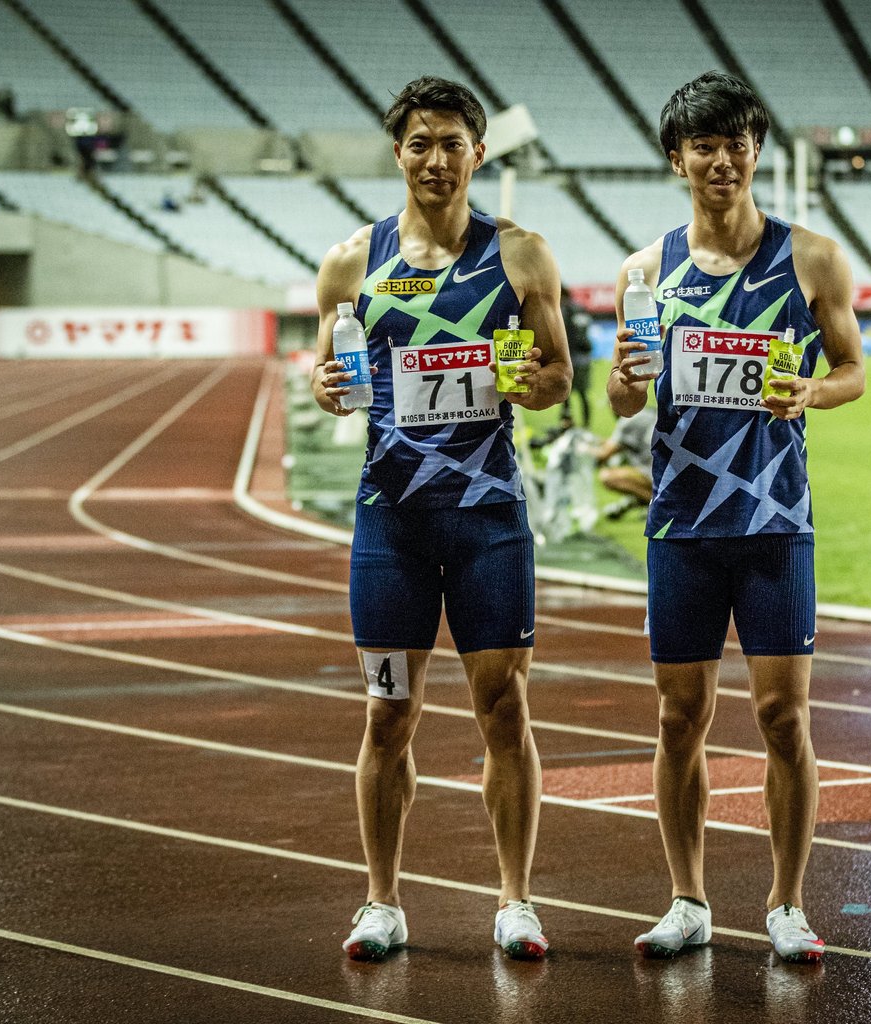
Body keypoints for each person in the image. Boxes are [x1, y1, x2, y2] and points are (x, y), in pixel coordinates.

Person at [311, 76, 571, 962]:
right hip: (392, 528)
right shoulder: (351, 263)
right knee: (389, 714)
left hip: (489, 521)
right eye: (419, 143)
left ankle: (515, 901)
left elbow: (559, 380)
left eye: (451, 142)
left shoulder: (523, 257)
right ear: (398, 153)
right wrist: (328, 387)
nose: (435, 158)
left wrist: (527, 382)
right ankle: (381, 901)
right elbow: (330, 386)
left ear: (478, 153)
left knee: (506, 712)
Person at [607, 72, 865, 964]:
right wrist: (626, 383)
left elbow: (853, 371)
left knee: (783, 718)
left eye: (738, 142)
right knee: (680, 718)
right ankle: (687, 900)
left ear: (757, 149)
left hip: (774, 521)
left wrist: (814, 391)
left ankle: (787, 905)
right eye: (704, 146)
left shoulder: (813, 258)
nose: (723, 159)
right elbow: (618, 395)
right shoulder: (645, 270)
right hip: (681, 523)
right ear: (676, 159)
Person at [596, 405, 655, 518]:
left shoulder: (627, 420)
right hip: (674, 475)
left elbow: (602, 456)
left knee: (608, 476)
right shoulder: (646, 414)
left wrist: (579, 449)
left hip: (656, 475)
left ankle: (659, 506)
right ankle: (637, 502)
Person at [560, 286, 594, 427]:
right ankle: (586, 425)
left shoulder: (563, 310)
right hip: (584, 358)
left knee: (565, 395)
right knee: (583, 394)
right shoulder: (581, 309)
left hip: (570, 358)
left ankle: (567, 424)